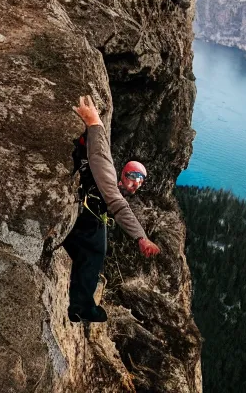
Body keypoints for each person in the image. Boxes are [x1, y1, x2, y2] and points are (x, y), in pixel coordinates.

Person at [63, 95, 160, 323]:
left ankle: (80, 304)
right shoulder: (110, 179)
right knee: (95, 251)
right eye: (134, 175)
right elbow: (100, 156)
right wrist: (94, 123)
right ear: (124, 173)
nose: (137, 181)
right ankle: (81, 308)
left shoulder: (113, 184)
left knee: (91, 255)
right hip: (84, 213)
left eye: (141, 179)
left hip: (88, 213)